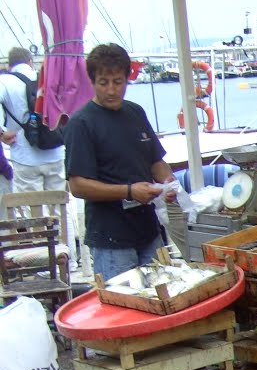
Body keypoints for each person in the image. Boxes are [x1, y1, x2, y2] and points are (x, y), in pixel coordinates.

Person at [64, 43, 177, 281]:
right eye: (103, 82)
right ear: (93, 82)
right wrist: (128, 191)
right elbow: (78, 186)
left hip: (149, 231)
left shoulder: (135, 112)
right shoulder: (81, 123)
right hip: (110, 239)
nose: (112, 90)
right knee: (123, 308)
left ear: (127, 79)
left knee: (162, 295)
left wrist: (168, 183)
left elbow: (155, 160)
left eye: (118, 81)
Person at [0, 46, 66, 194]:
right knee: (59, 204)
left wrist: (2, 132)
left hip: (25, 155)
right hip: (55, 151)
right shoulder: (47, 78)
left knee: (31, 209)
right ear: (30, 62)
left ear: (9, 66)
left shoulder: (4, 81)